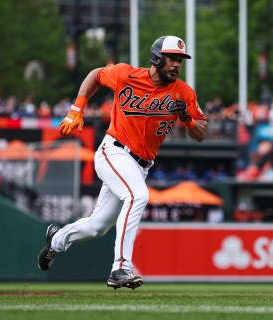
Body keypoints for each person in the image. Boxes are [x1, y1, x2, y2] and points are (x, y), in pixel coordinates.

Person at [37, 35, 207, 290]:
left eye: (180, 60)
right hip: (114, 151)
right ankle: (121, 267)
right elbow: (95, 75)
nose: (176, 64)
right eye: (172, 58)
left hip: (140, 165)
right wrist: (77, 109)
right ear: (157, 57)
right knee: (138, 196)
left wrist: (189, 120)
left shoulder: (183, 92)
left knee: (96, 227)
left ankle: (56, 240)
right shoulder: (126, 75)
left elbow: (201, 133)